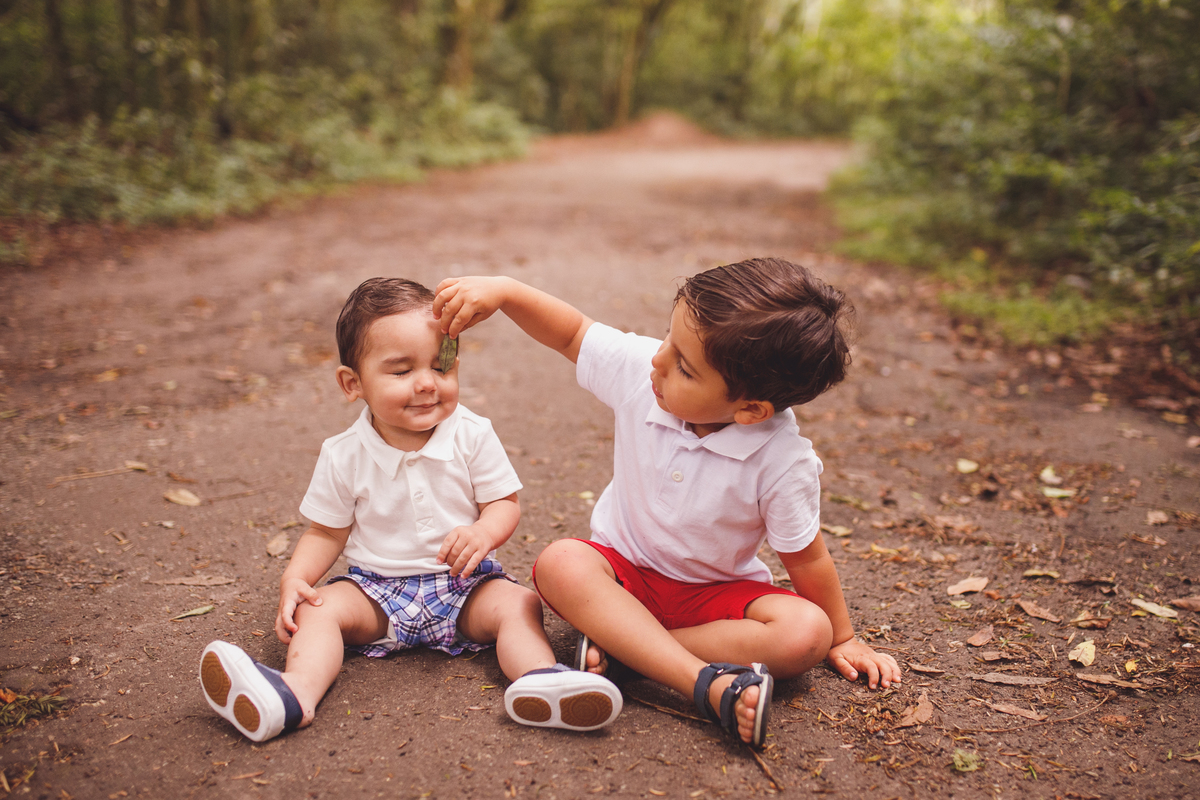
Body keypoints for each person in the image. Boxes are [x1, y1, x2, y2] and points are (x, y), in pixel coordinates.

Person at [432, 258, 901, 749]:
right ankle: (702, 682)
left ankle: (627, 653)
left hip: (712, 602)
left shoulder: (783, 463)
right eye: (668, 340)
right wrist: (506, 292)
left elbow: (806, 557)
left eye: (685, 367)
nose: (659, 360)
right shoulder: (644, 374)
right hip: (622, 577)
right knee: (561, 562)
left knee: (806, 632)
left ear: (750, 410)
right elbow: (572, 334)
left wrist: (843, 637)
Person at [198, 277, 621, 742]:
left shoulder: (472, 434)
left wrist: (483, 533)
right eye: (401, 372)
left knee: (519, 604)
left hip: (465, 587)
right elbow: (326, 533)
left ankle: (541, 682)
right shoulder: (343, 454)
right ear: (352, 383)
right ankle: (293, 695)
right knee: (320, 611)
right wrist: (296, 578)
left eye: (441, 367)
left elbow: (503, 503)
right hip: (376, 592)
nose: (426, 384)